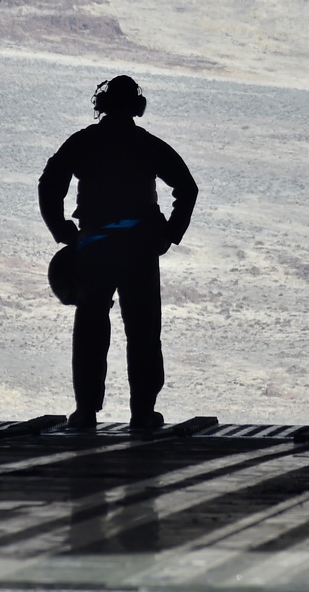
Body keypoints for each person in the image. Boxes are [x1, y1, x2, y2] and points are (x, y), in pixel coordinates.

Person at [39, 76, 198, 430]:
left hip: (94, 248)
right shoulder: (147, 145)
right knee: (143, 332)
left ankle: (85, 412)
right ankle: (142, 413)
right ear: (136, 108)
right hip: (140, 249)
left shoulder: (83, 142)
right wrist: (169, 234)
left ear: (102, 105)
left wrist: (62, 230)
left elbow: (50, 183)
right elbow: (187, 187)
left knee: (91, 327)